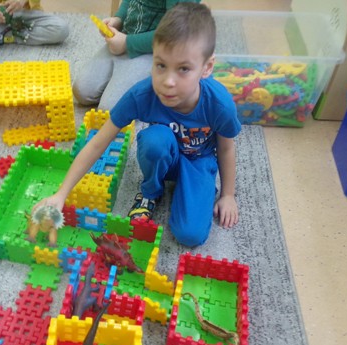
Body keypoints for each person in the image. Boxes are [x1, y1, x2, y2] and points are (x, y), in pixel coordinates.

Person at [35, 3, 241, 247]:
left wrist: (228, 195)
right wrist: (61, 193)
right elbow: (98, 142)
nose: (168, 81)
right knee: (155, 141)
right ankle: (150, 192)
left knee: (191, 235)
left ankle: (190, 187)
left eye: (184, 69)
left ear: (207, 68)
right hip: (162, 154)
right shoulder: (142, 94)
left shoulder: (219, 103)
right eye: (160, 65)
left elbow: (226, 148)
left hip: (199, 160)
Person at [73, 0, 199, 112]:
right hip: (125, 36)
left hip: (154, 51)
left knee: (111, 109)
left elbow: (175, 33)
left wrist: (127, 43)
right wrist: (118, 19)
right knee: (82, 91)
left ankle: (156, 90)